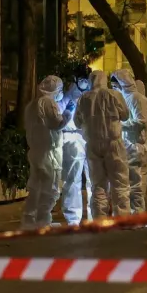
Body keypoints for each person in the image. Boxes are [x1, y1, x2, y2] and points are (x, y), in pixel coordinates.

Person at [21, 75, 75, 230]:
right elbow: (56, 123)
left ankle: (29, 220)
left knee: (35, 187)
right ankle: (43, 220)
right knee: (50, 188)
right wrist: (68, 112)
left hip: (36, 151)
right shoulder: (48, 102)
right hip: (49, 153)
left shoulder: (31, 105)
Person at [74, 70, 130, 218]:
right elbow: (125, 115)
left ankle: (99, 218)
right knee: (119, 181)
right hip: (113, 143)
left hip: (92, 145)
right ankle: (122, 218)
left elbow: (76, 122)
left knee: (97, 184)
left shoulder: (83, 98)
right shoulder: (114, 95)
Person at [111, 70, 147, 214]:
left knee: (136, 183)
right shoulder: (125, 98)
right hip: (129, 145)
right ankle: (132, 214)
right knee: (128, 183)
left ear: (123, 83)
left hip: (137, 146)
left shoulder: (137, 99)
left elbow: (141, 122)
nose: (113, 87)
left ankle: (138, 214)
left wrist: (119, 125)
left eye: (115, 84)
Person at [60, 75, 90, 225]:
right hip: (72, 138)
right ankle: (73, 218)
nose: (84, 82)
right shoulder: (68, 96)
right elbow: (58, 116)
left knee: (94, 180)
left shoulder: (92, 95)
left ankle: (95, 215)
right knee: (72, 179)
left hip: (88, 138)